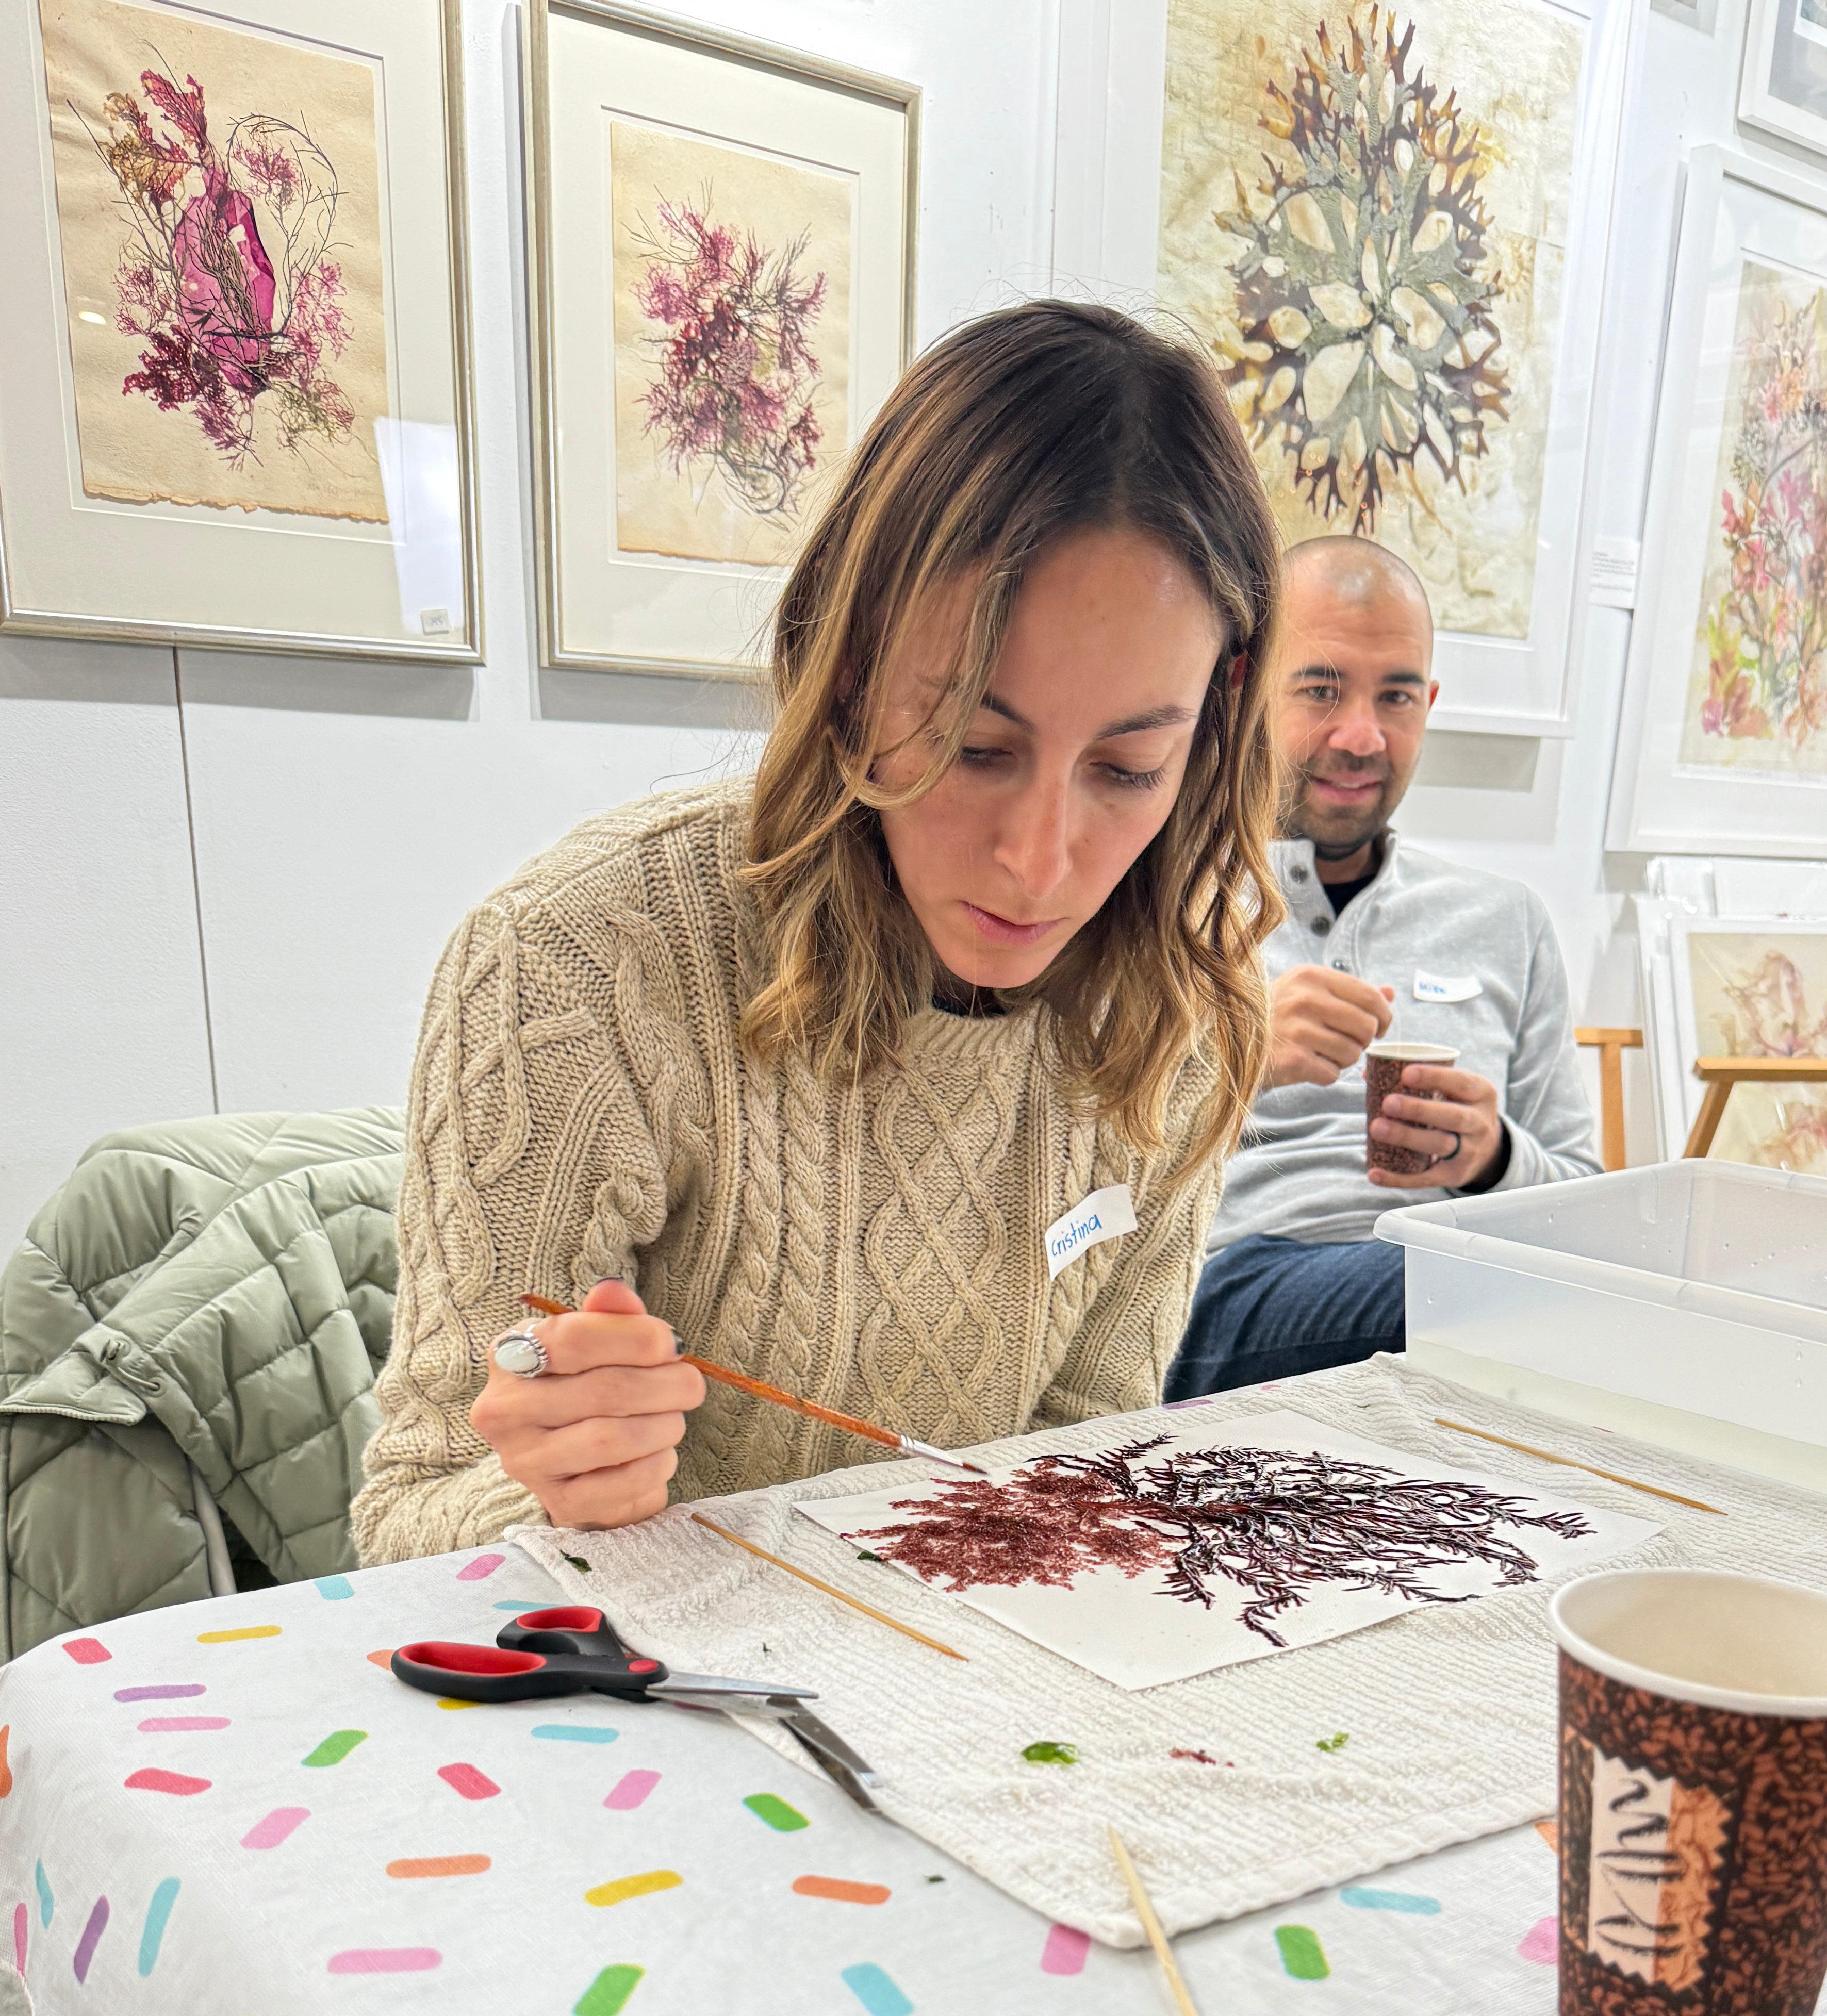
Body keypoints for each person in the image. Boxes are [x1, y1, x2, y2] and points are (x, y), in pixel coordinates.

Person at [352, 300, 1285, 1564]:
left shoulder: (1182, 1015)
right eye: (973, 744)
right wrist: (552, 1496)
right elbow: (406, 1526)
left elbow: (1079, 1469)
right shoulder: (576, 964)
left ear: (1216, 722)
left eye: (1127, 769)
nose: (1039, 858)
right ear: (848, 671)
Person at [1165, 536, 1598, 1400]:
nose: (1362, 738)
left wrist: (1493, 1157)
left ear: (1427, 706)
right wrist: (1235, 1058)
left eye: (1395, 697)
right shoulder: (1163, 899)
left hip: (1456, 1272)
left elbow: (1583, 1204)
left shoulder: (1506, 921)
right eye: (1321, 690)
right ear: (1245, 690)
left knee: (1573, 1287)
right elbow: (1068, 1170)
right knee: (1495, 1298)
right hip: (1231, 1282)